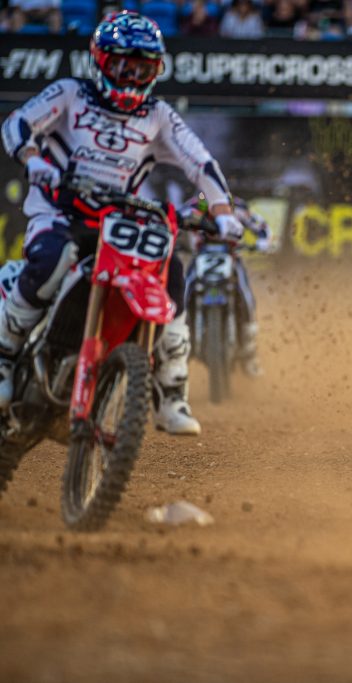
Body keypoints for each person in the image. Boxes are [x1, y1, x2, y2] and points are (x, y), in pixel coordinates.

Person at [0, 11, 245, 434]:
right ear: (101, 61)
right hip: (60, 213)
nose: (131, 78)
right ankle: (4, 358)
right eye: (122, 66)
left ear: (156, 70)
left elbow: (202, 164)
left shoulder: (159, 115)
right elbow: (18, 123)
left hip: (117, 221)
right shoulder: (71, 93)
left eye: (142, 69)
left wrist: (221, 213)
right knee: (51, 258)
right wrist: (33, 159)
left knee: (171, 272)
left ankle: (171, 390)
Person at [181, 195, 272, 377]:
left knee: (246, 296)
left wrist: (262, 242)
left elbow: (261, 226)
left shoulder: (236, 206)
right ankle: (177, 345)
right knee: (182, 295)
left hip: (230, 256)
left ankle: (250, 351)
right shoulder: (192, 207)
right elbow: (172, 224)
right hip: (200, 256)